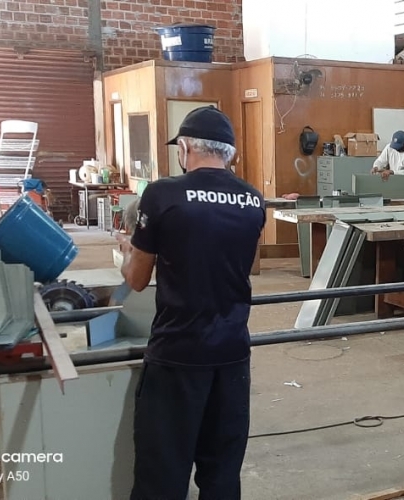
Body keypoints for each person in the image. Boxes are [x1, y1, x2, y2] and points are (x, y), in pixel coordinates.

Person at [117, 106, 266, 500]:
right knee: (221, 474)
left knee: (162, 474)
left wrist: (127, 252)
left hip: (178, 353)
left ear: (184, 147)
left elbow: (136, 279)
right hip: (233, 354)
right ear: (229, 152)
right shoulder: (253, 201)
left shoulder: (163, 194)